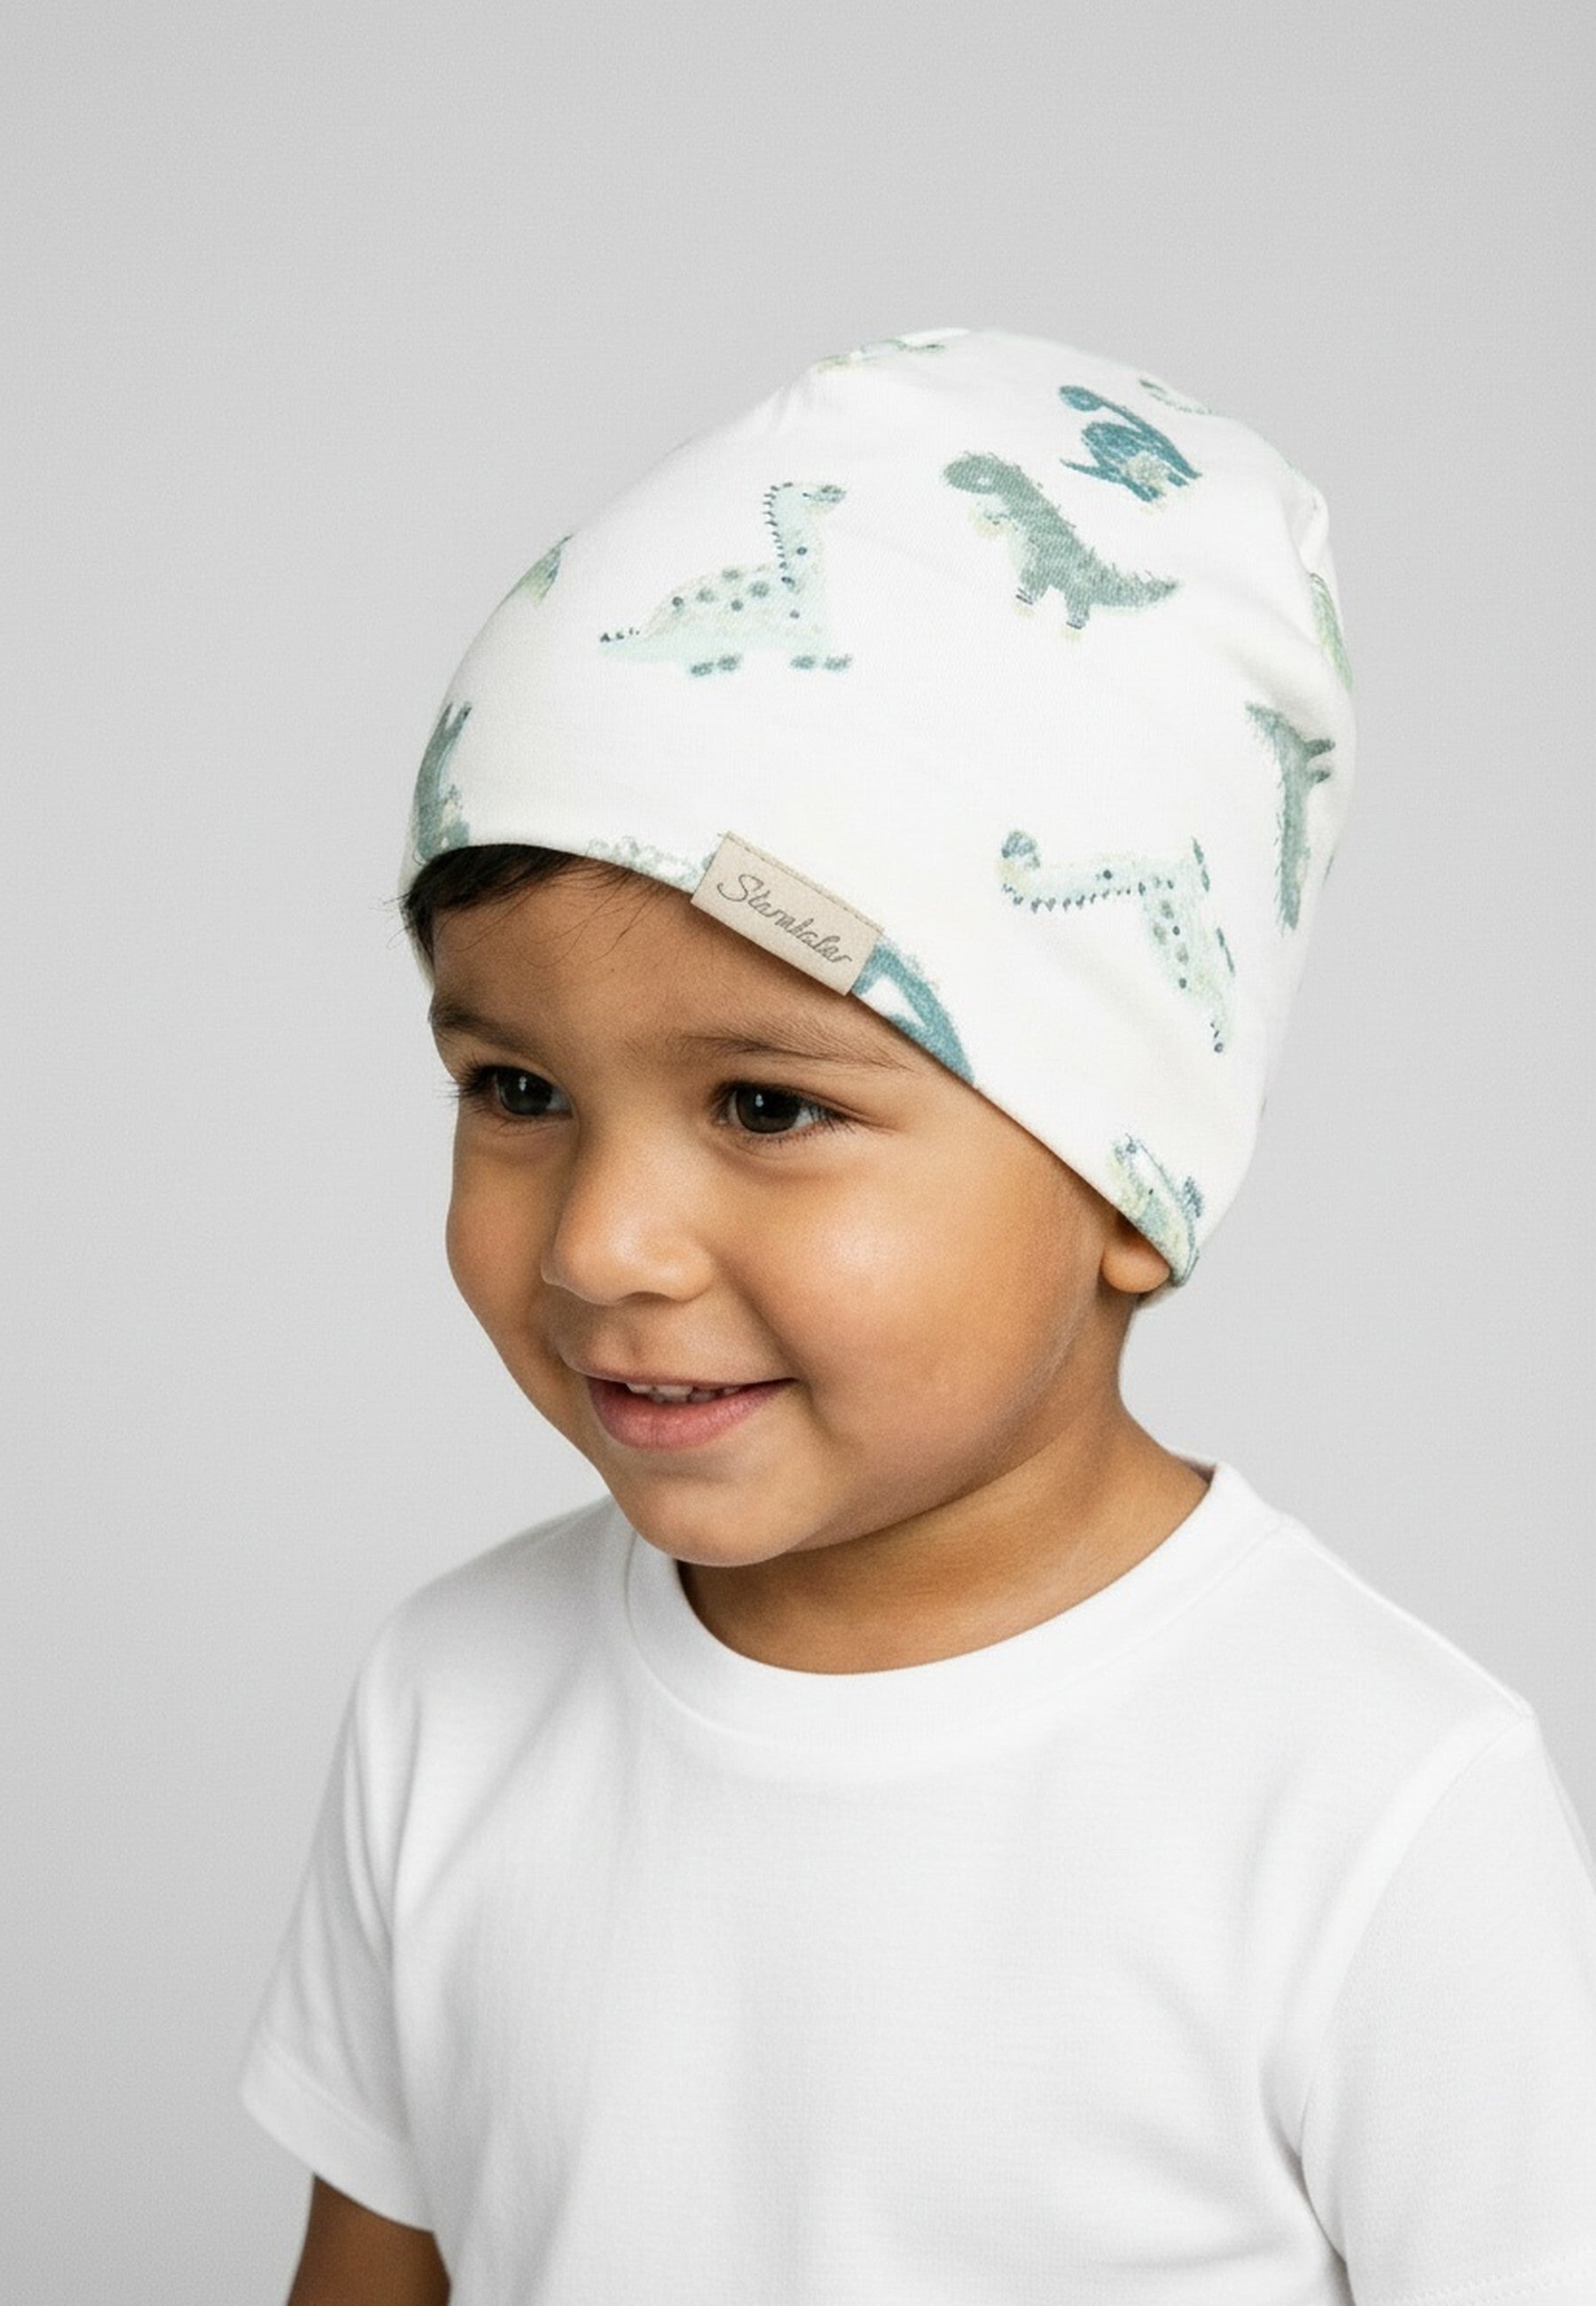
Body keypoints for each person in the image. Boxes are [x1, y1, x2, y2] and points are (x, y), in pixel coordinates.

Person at [241, 330, 1596, 2304]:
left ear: (1129, 1175)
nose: (603, 1243)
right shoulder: (452, 1700)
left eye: (767, 1107)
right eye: (515, 1088)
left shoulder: (1374, 1808)